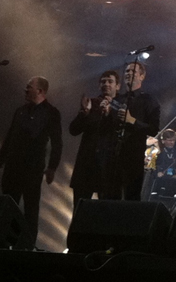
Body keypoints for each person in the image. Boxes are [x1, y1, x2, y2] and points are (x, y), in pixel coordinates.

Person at [0, 77, 62, 249]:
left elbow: (57, 142)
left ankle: (27, 247)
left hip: (33, 169)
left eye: (29, 87)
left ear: (40, 91)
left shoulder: (51, 113)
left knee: (31, 210)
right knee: (8, 206)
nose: (25, 90)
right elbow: (10, 137)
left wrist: (52, 167)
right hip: (13, 167)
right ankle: (6, 244)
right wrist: (1, 160)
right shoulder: (20, 111)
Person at [69, 70, 121, 206]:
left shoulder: (122, 108)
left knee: (104, 211)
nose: (106, 84)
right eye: (103, 82)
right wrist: (84, 113)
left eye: (110, 81)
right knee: (80, 209)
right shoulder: (91, 103)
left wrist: (109, 113)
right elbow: (73, 130)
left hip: (107, 169)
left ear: (117, 86)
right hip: (86, 166)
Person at [110, 61, 161, 200]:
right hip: (113, 156)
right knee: (110, 197)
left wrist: (132, 121)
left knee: (131, 197)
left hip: (133, 157)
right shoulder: (117, 99)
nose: (129, 73)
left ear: (142, 76)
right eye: (127, 71)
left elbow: (154, 129)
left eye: (133, 71)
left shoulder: (149, 100)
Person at [151, 129, 176, 199]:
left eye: (173, 140)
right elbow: (152, 166)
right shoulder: (157, 152)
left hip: (174, 181)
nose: (172, 142)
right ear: (163, 141)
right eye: (169, 140)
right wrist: (157, 172)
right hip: (160, 181)